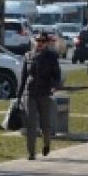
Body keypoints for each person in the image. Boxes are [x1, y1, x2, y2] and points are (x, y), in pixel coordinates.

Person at [16, 30, 62, 159]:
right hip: (29, 93)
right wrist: (18, 96)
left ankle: (46, 144)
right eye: (38, 41)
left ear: (47, 43)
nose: (40, 43)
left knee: (45, 125)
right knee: (31, 124)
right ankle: (31, 153)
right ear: (34, 42)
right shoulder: (28, 56)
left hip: (44, 93)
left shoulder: (51, 57)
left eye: (42, 41)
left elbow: (56, 75)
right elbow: (23, 77)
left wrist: (54, 86)